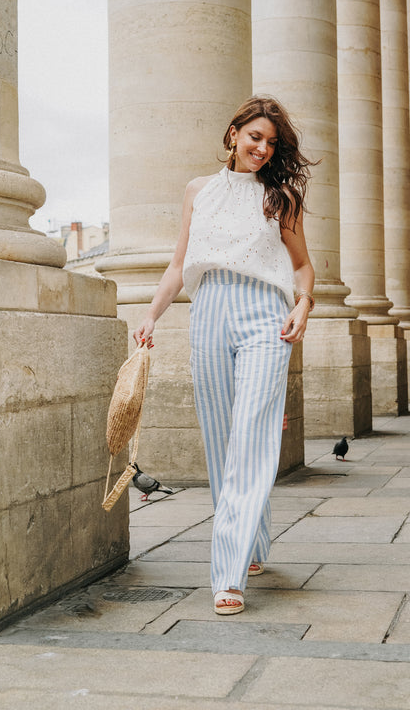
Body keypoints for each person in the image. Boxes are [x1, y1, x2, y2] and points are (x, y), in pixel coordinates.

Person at [133, 96, 315, 616]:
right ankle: (253, 544)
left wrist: (303, 304)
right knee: (219, 438)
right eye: (255, 136)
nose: (262, 148)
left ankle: (227, 572)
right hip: (209, 309)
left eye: (271, 143)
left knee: (253, 433)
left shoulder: (279, 197)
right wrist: (151, 316)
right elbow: (177, 265)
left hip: (265, 315)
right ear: (234, 133)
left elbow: (303, 267)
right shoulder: (198, 191)